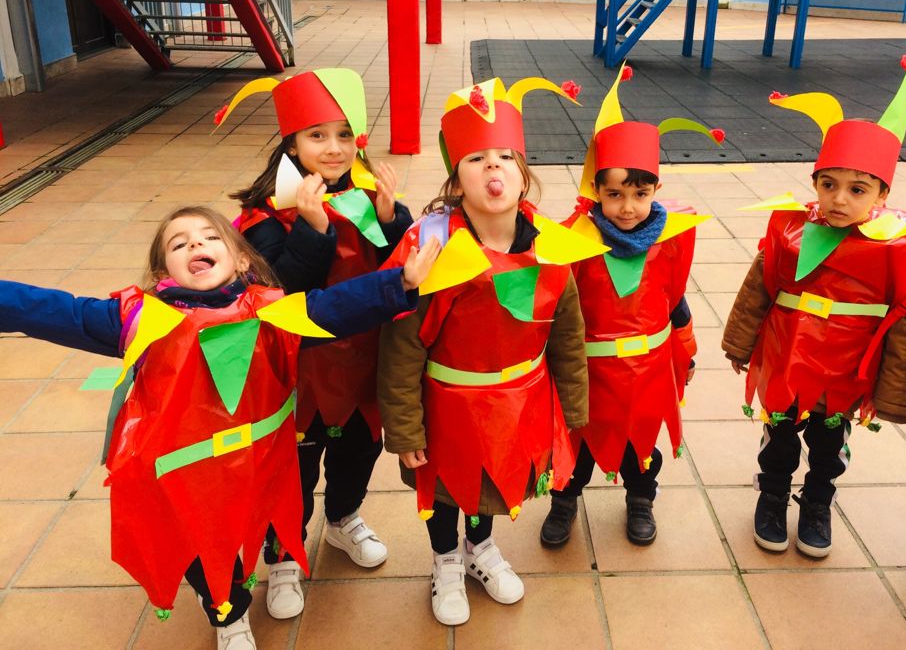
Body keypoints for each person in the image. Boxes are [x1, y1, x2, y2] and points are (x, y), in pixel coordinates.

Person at [0, 205, 438, 650]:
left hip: (261, 464)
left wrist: (397, 281)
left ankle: (283, 561)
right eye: (179, 242)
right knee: (205, 550)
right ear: (161, 270)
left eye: (210, 237)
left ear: (242, 260)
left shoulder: (272, 311)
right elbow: (59, 311)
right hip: (188, 477)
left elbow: (332, 308)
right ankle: (228, 614)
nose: (195, 244)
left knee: (269, 522)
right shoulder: (139, 319)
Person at [376, 76, 596, 626]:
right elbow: (402, 348)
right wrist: (405, 429)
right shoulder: (435, 250)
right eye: (476, 157)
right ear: (457, 181)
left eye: (505, 156)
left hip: (517, 400)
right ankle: (445, 560)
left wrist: (572, 411)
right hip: (447, 404)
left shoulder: (552, 248)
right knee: (447, 489)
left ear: (524, 176)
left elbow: (568, 335)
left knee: (495, 482)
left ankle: (481, 550)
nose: (493, 168)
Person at [722, 57, 906, 559]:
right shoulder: (790, 233)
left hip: (844, 372)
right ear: (815, 182)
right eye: (828, 184)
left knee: (827, 446)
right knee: (779, 439)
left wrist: (896, 392)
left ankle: (817, 500)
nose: (839, 199)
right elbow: (758, 288)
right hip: (786, 357)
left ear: (883, 193)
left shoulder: (901, 250)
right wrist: (740, 344)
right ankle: (773, 495)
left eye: (857, 189)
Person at [222, 69, 413, 619]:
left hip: (363, 367)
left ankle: (342, 519)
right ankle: (282, 553)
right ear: (291, 144)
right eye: (317, 135)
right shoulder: (262, 219)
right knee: (294, 472)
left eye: (344, 134)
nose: (334, 148)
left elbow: (401, 272)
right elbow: (278, 295)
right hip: (298, 377)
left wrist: (390, 218)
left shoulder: (365, 197)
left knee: (357, 454)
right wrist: (309, 228)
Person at [540, 63, 720, 547]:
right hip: (588, 372)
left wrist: (685, 350)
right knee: (576, 446)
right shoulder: (574, 240)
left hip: (646, 367)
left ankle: (641, 499)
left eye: (639, 194)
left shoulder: (671, 238)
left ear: (655, 190)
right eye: (614, 194)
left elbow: (675, 300)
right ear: (595, 190)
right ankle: (564, 501)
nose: (626, 207)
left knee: (640, 447)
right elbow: (555, 308)